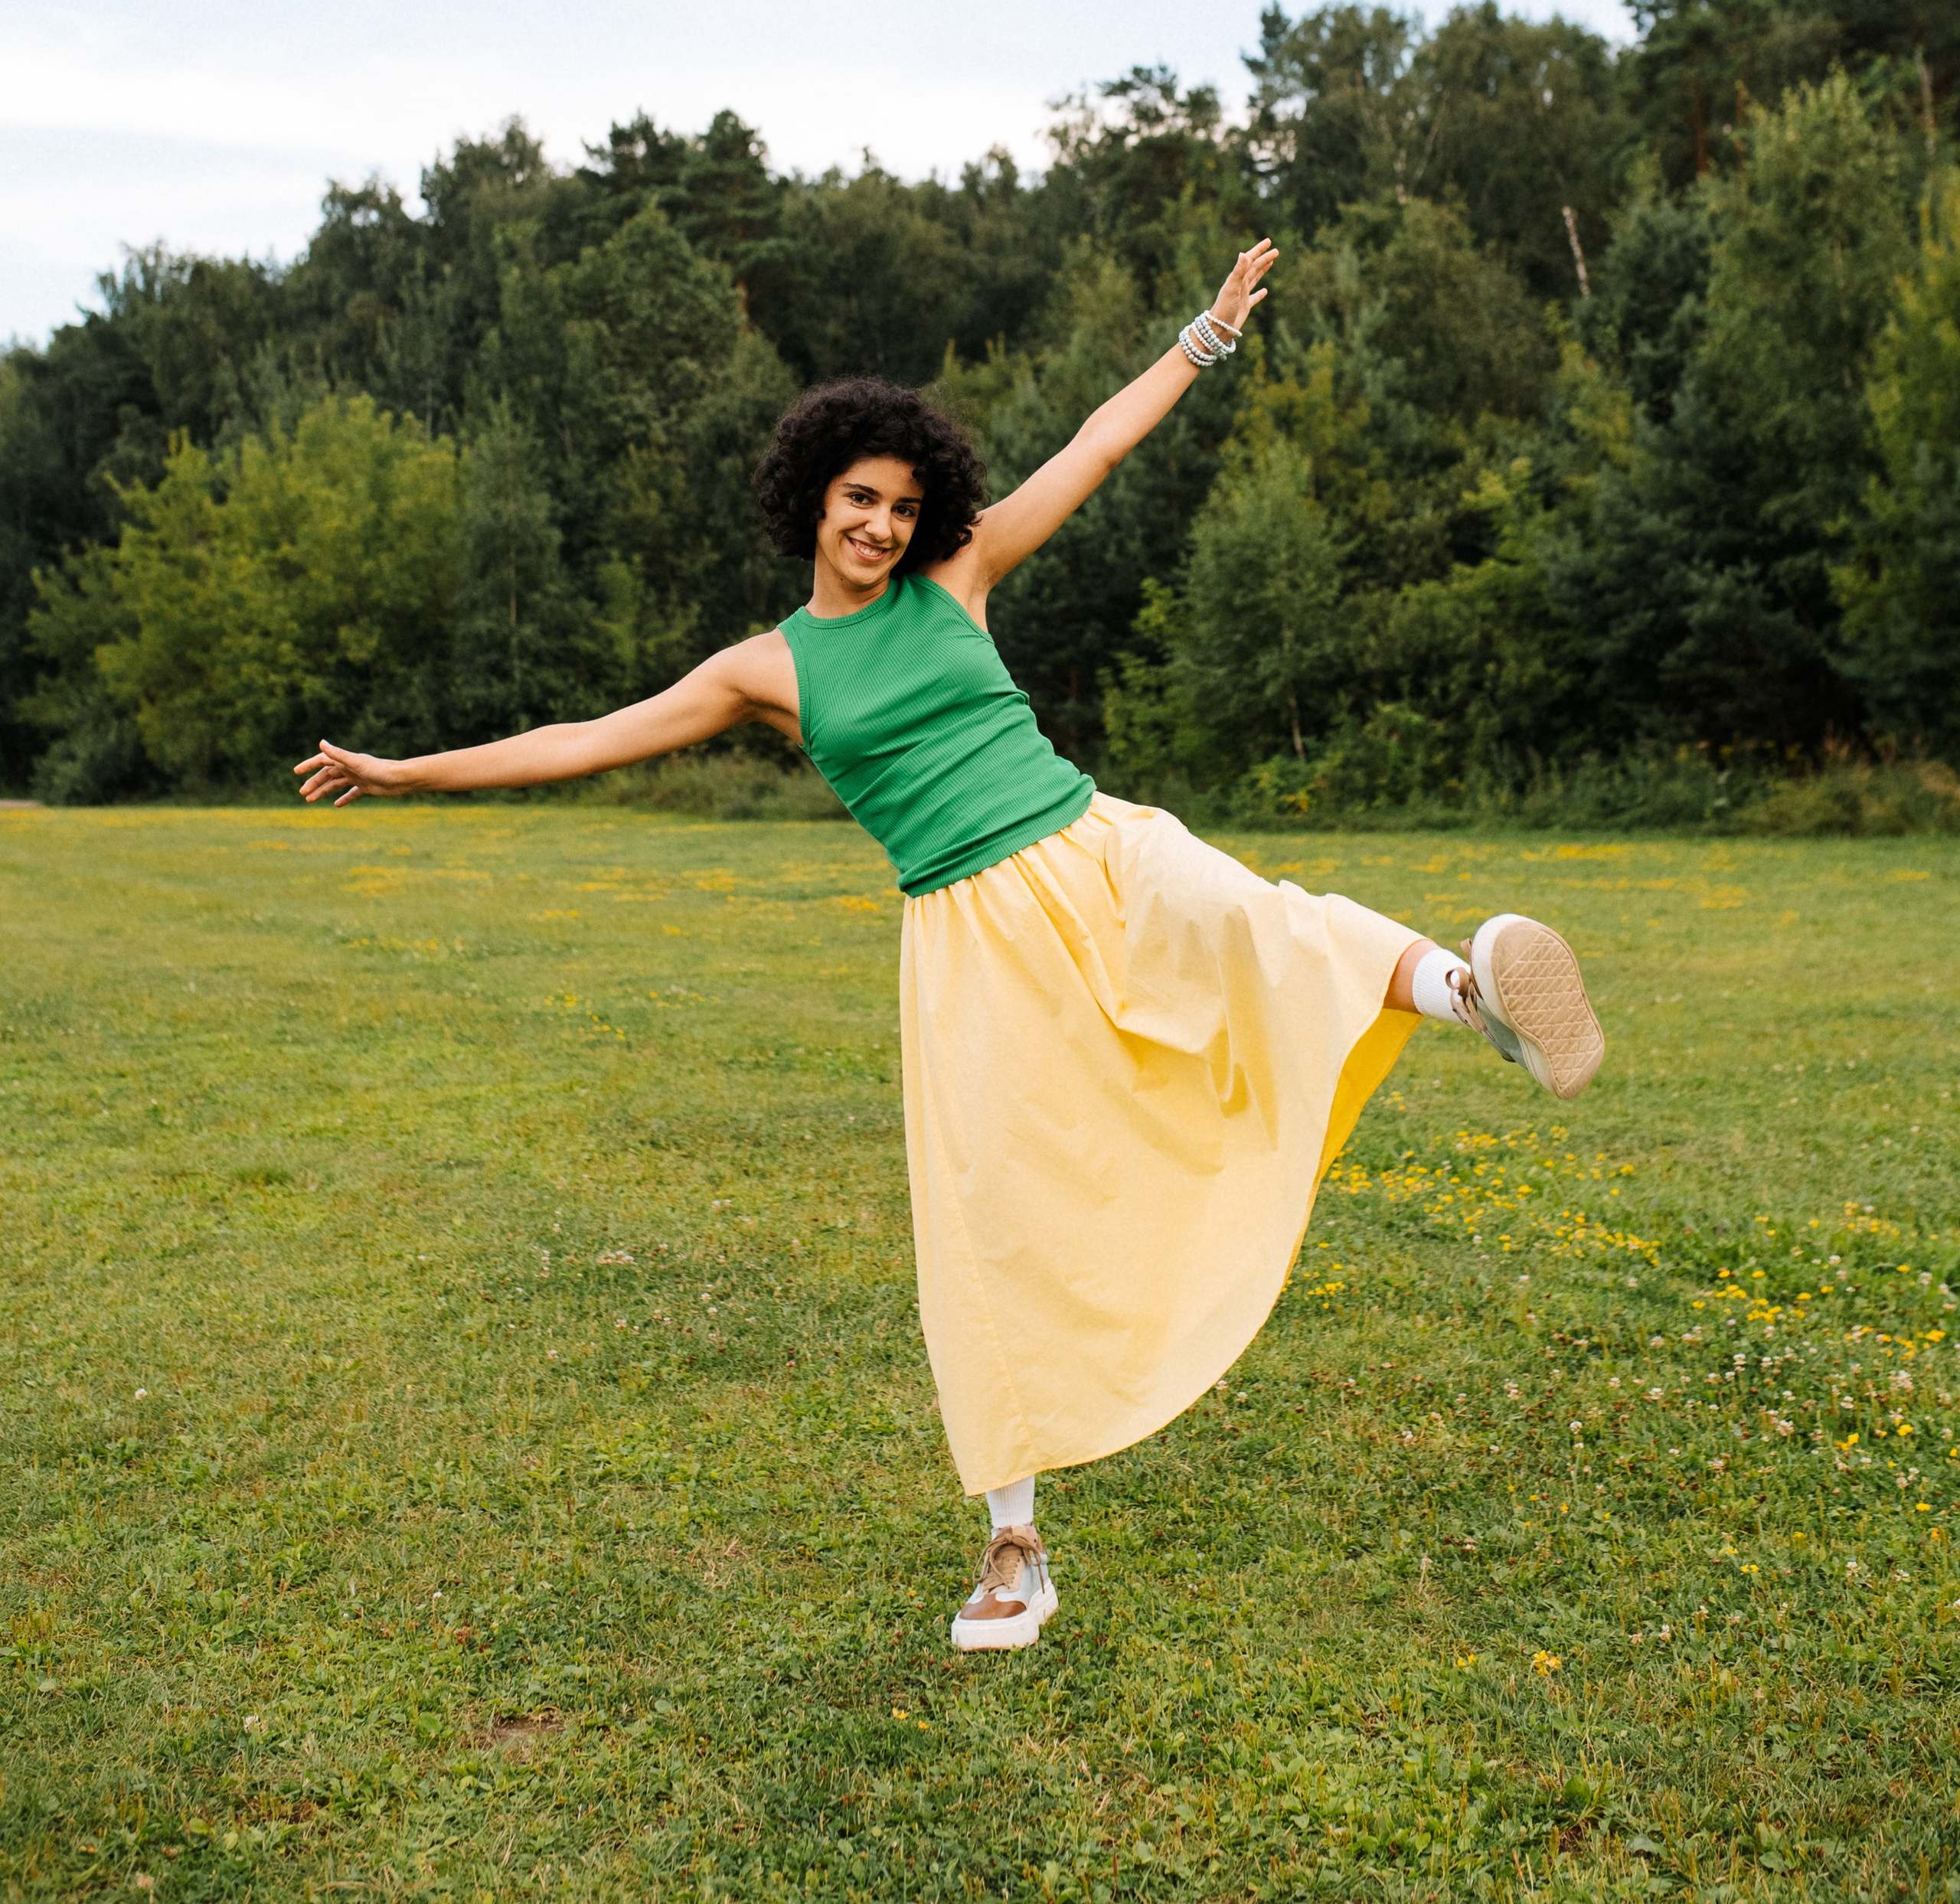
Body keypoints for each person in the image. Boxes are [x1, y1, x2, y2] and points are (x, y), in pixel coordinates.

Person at [297, 241, 1605, 1654]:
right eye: (861, 500)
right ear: (814, 499)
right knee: (992, 1220)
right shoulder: (765, 670)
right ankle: (1013, 1545)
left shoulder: (961, 574)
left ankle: (1473, 993)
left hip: (1092, 844)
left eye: (903, 504)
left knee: (1255, 918)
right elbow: (587, 739)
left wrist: (1206, 336)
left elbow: (1096, 447)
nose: (882, 525)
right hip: (971, 941)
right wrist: (408, 771)